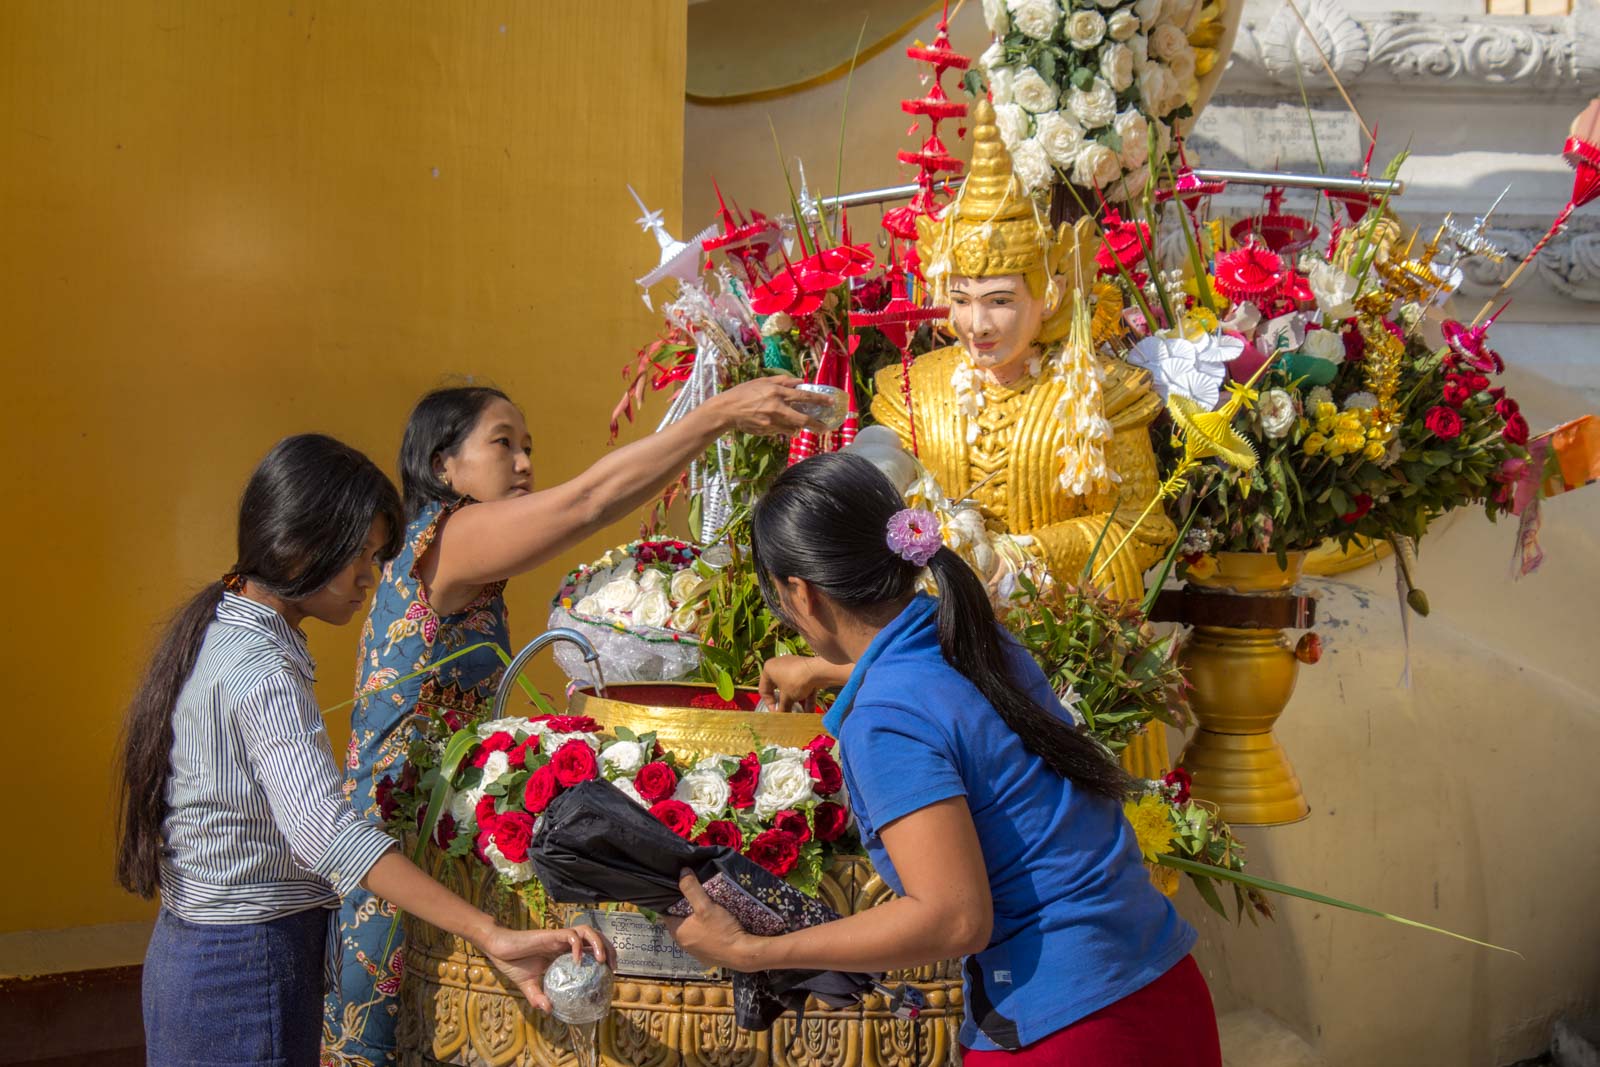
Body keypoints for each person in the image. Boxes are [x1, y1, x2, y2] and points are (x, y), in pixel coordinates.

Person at [664, 452, 1219, 1066]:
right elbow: (934, 692)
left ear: (802, 593)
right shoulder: (976, 639)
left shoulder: (886, 721)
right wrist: (827, 669)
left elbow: (954, 920)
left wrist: (752, 952)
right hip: (1162, 988)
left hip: (1066, 1027)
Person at [327, 376, 819, 1062]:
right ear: (443, 465)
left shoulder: (446, 551)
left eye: (529, 446)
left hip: (410, 846)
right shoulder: (450, 534)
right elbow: (588, 500)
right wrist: (718, 414)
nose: (525, 462)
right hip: (391, 852)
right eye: (504, 443)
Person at [115, 434, 612, 1067]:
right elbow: (326, 833)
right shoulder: (261, 668)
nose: (369, 579)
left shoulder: (221, 634)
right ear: (300, 546)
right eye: (362, 557)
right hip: (243, 968)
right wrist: (492, 933)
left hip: (205, 955)